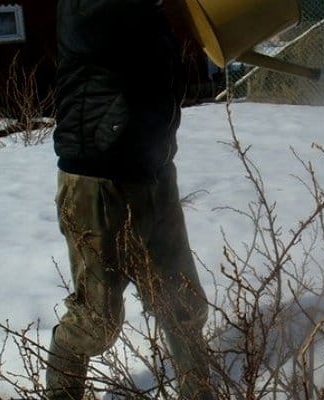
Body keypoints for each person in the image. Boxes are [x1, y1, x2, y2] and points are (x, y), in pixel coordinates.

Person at [49, 1, 213, 398]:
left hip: (155, 174)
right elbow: (96, 25)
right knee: (97, 319)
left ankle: (201, 394)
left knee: (183, 303)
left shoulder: (151, 11)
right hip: (97, 179)